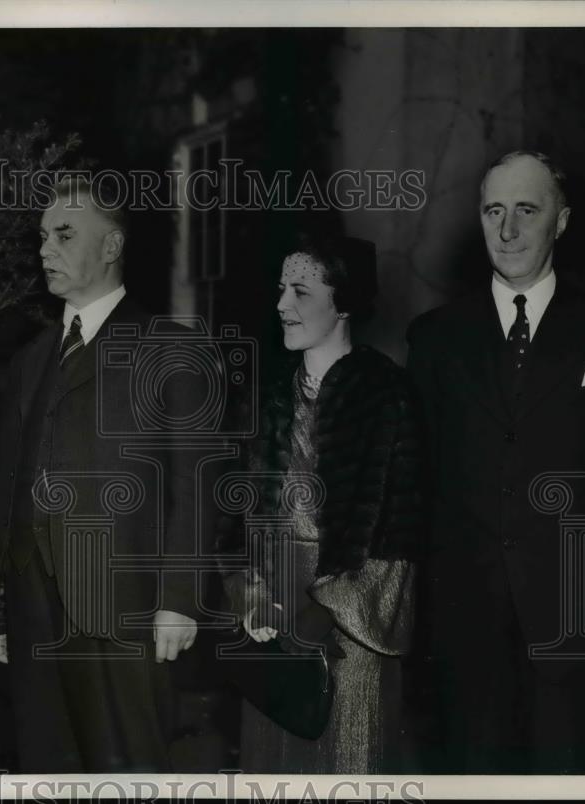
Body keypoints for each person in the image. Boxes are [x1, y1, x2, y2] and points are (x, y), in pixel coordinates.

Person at [406, 150, 585, 773]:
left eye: (526, 210)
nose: (508, 230)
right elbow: (417, 484)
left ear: (560, 222)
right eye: (494, 211)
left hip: (574, 624)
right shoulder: (434, 339)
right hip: (465, 628)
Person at [0, 178, 201, 772]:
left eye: (65, 234)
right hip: (33, 605)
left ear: (111, 246)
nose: (45, 248)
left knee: (126, 767)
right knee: (47, 768)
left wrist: (178, 601)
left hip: (122, 607)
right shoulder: (30, 360)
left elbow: (194, 489)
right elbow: (6, 491)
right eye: (43, 236)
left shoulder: (169, 349)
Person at [219, 223, 424, 773]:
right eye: (281, 288)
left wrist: (324, 612)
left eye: (301, 291)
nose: (281, 303)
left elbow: (401, 535)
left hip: (351, 629)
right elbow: (236, 525)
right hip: (271, 618)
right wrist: (252, 595)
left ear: (345, 303)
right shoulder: (261, 397)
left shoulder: (388, 396)